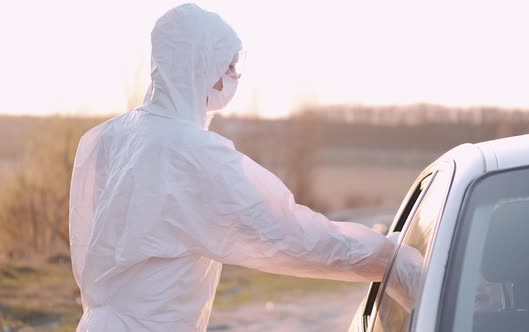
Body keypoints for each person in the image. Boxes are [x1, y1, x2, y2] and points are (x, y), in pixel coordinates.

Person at [69, 4, 398, 331]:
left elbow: (87, 246)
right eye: (227, 68)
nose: (232, 78)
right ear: (200, 67)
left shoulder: (106, 137)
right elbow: (291, 234)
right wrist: (389, 259)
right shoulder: (193, 153)